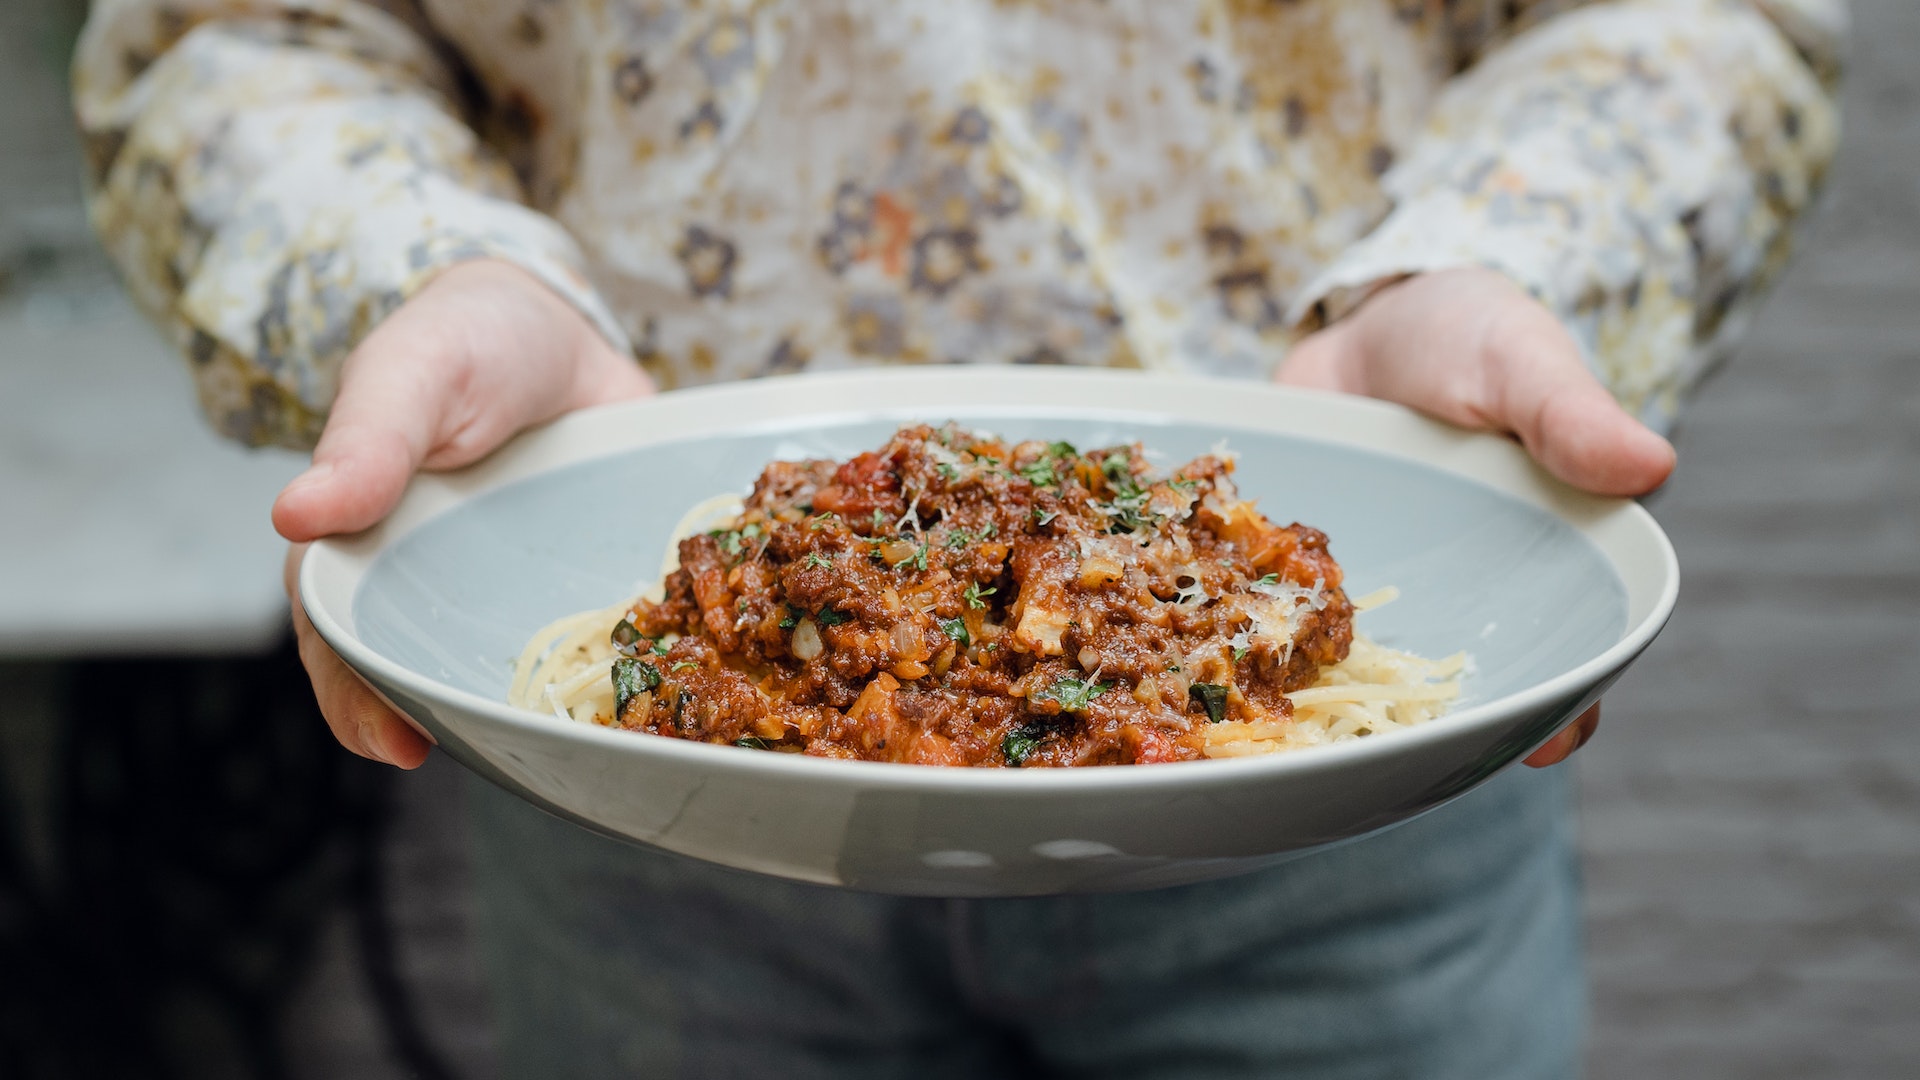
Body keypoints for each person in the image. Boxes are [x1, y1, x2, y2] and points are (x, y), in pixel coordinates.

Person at [75, 1, 1842, 1075]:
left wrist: (1510, 251)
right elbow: (237, 31)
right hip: (655, 784)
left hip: (1343, 821)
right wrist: (415, 275)